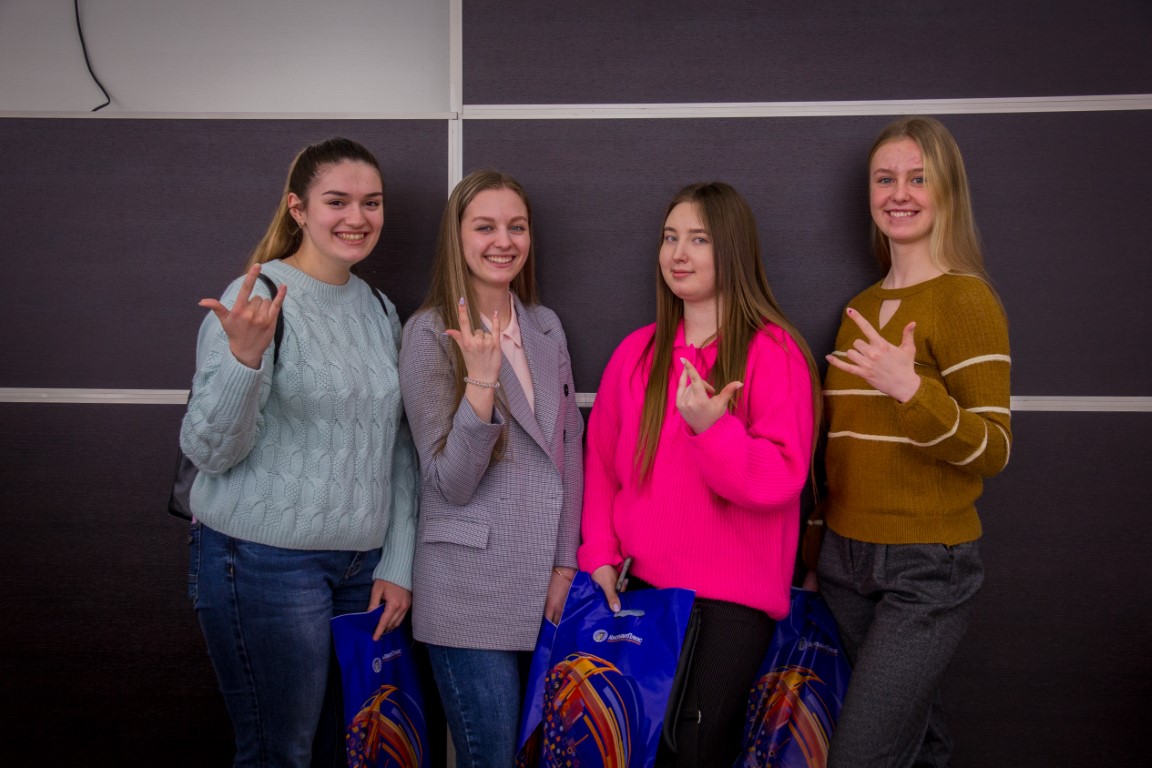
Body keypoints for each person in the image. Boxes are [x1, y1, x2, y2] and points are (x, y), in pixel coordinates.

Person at [181, 137, 418, 767]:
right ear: (298, 208)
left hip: (360, 570)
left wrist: (397, 561)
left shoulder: (379, 310)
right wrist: (243, 360)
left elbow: (398, 446)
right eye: (336, 201)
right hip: (262, 562)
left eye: (371, 203)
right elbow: (209, 451)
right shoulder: (256, 298)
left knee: (347, 752)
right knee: (279, 753)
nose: (357, 217)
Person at [578, 181, 822, 765]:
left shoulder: (774, 352)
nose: (678, 254)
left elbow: (779, 479)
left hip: (728, 606)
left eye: (698, 239)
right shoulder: (637, 353)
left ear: (732, 250)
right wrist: (600, 555)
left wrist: (712, 431)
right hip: (642, 594)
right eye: (670, 238)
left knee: (691, 752)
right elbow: (603, 466)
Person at [817, 116, 1012, 768]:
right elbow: (840, 444)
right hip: (845, 562)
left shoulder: (966, 300)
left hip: (926, 567)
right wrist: (818, 547)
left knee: (860, 756)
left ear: (947, 191)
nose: (899, 193)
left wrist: (911, 391)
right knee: (916, 742)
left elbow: (994, 448)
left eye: (918, 179)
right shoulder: (859, 308)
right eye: (885, 179)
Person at [398, 170, 584, 767]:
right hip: (468, 594)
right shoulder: (428, 333)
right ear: (457, 237)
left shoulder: (546, 326)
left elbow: (567, 451)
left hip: (546, 588)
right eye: (485, 227)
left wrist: (565, 562)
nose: (503, 241)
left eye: (516, 226)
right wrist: (480, 383)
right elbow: (449, 482)